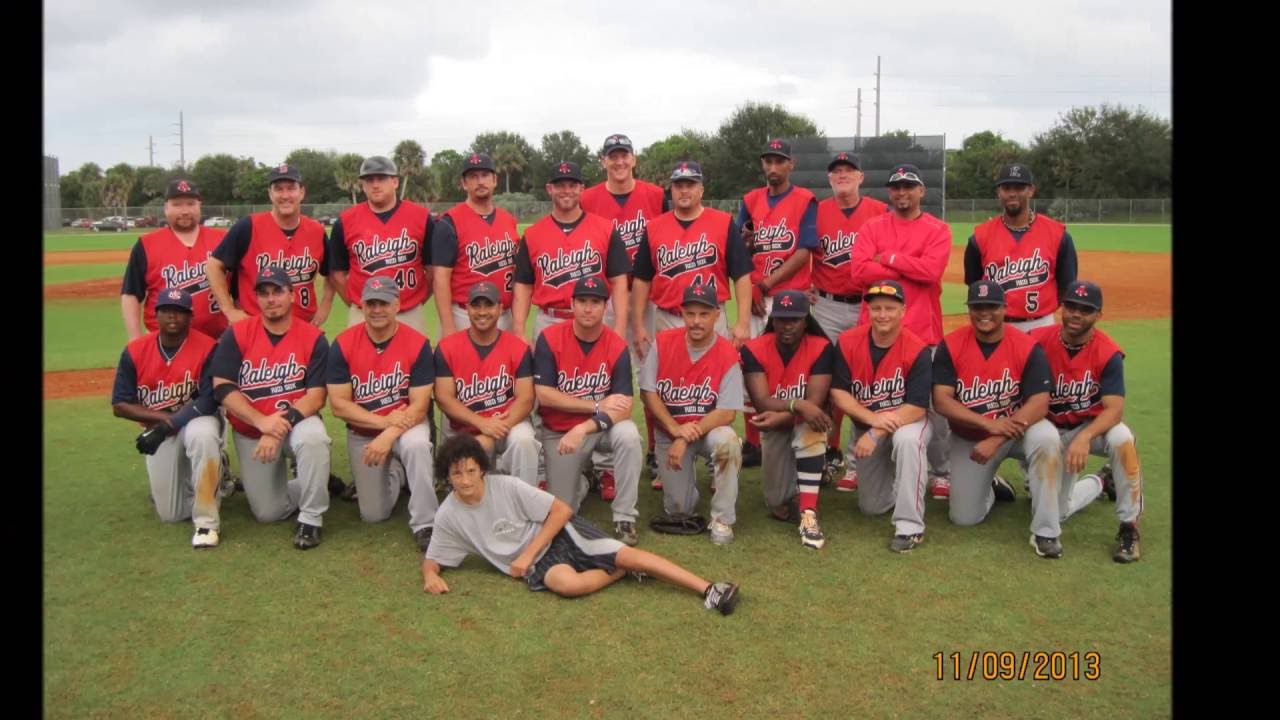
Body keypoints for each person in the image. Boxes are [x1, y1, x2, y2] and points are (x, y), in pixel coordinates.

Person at [420, 433, 742, 616]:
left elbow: (560, 511)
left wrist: (526, 554)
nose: (465, 480)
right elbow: (433, 559)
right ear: (446, 476)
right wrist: (430, 577)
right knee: (567, 586)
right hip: (543, 563)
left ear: (483, 470)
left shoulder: (506, 487)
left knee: (627, 554)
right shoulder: (449, 513)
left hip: (561, 533)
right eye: (456, 473)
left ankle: (710, 588)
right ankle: (619, 572)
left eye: (471, 471)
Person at [932, 280, 1098, 559]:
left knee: (1046, 437)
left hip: (1020, 433)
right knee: (964, 518)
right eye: (977, 307)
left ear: (1005, 309)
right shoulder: (951, 345)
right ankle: (992, 486)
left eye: (992, 307)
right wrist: (987, 424)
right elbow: (942, 400)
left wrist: (997, 436)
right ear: (969, 310)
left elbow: (1039, 402)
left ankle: (1046, 532)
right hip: (972, 439)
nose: (985, 313)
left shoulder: (1026, 346)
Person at [630, 159, 753, 487]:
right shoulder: (655, 226)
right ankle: (662, 457)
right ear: (671, 190)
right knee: (661, 389)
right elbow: (642, 279)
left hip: (712, 317)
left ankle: (717, 462)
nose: (684, 190)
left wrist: (741, 321)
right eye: (678, 185)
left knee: (712, 390)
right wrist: (639, 325)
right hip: (668, 316)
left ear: (701, 189)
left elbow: (741, 274)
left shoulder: (722, 222)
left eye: (690, 184)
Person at [850, 163, 954, 499]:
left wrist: (890, 257)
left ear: (921, 191)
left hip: (922, 334)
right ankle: (858, 460)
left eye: (909, 186)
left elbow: (932, 270)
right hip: (874, 332)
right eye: (896, 187)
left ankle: (941, 470)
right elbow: (859, 272)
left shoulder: (938, 230)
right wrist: (912, 264)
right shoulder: (872, 226)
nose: (902, 193)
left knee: (933, 407)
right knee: (866, 396)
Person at [209, 266, 332, 550]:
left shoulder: (313, 337)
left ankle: (311, 518)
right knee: (268, 513)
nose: (271, 299)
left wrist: (275, 428)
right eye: (263, 293)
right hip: (252, 430)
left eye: (277, 291)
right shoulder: (238, 334)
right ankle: (315, 480)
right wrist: (260, 421)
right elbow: (223, 387)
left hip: (297, 422)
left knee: (313, 438)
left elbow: (315, 397)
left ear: (292, 295)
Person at [580, 134, 671, 489]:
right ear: (603, 161)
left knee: (653, 373)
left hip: (648, 294)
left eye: (624, 155)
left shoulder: (654, 195)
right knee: (600, 377)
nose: (619, 162)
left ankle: (654, 453)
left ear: (634, 159)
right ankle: (601, 460)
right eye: (612, 156)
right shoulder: (588, 198)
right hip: (602, 297)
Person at [1029, 281, 1143, 563]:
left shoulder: (1108, 353)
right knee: (1059, 512)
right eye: (1071, 307)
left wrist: (1084, 437)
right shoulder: (1036, 340)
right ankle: (1101, 482)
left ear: (1098, 315)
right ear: (1062, 307)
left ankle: (1129, 527)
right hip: (1049, 432)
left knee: (1122, 439)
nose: (1076, 314)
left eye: (1085, 310)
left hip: (1088, 429)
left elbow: (1114, 409)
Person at [326, 277, 438, 553]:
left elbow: (420, 405)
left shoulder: (417, 343)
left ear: (397, 305)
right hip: (365, 431)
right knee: (373, 515)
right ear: (362, 305)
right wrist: (383, 422)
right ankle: (397, 473)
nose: (377, 309)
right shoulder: (343, 344)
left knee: (417, 444)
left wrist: (388, 433)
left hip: (406, 425)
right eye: (371, 303)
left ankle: (426, 522)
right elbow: (339, 405)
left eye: (384, 303)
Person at [111, 288, 225, 548]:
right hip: (160, 428)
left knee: (204, 434)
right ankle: (208, 481)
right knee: (171, 514)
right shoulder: (136, 351)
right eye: (166, 311)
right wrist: (163, 421)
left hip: (197, 420)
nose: (173, 317)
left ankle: (206, 523)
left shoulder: (208, 347)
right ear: (155, 314)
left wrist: (170, 424)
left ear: (190, 317)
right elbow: (120, 404)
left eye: (180, 312)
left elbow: (209, 399)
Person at [532, 276, 641, 545]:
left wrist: (585, 425)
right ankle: (583, 482)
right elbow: (544, 395)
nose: (588, 308)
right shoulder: (550, 338)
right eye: (582, 301)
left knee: (628, 435)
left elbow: (624, 407)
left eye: (595, 302)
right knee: (563, 512)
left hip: (599, 428)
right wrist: (594, 405)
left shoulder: (616, 345)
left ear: (606, 307)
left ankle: (624, 516)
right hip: (560, 432)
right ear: (572, 304)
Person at [828, 280, 933, 552]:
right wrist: (872, 421)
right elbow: (839, 393)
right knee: (871, 508)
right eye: (876, 308)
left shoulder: (917, 349)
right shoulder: (849, 342)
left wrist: (877, 430)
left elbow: (917, 407)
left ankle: (910, 526)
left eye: (889, 308)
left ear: (903, 312)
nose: (882, 314)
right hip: (871, 427)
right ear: (868, 311)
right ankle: (910, 485)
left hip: (908, 423)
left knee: (908, 442)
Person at [638, 283, 744, 544]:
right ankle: (687, 486)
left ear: (717, 315)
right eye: (691, 313)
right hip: (670, 431)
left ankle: (722, 519)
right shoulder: (663, 343)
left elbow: (727, 412)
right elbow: (647, 392)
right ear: (682, 313)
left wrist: (684, 437)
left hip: (708, 432)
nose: (696, 321)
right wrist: (675, 430)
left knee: (727, 442)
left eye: (704, 314)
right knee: (679, 510)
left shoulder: (727, 353)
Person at [809, 152, 889, 492]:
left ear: (861, 177)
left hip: (868, 306)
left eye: (849, 170)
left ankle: (861, 459)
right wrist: (805, 286)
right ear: (830, 180)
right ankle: (828, 450)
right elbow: (804, 253)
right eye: (836, 171)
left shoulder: (879, 211)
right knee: (826, 379)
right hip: (827, 304)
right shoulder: (817, 210)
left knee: (865, 380)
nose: (842, 175)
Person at [737, 139, 820, 467]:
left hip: (792, 301)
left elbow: (804, 251)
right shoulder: (750, 200)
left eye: (779, 161)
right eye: (767, 161)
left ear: (790, 164)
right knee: (752, 368)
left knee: (793, 372)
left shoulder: (804, 200)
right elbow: (738, 246)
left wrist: (765, 284)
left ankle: (797, 434)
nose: (772, 167)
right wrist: (750, 287)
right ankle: (754, 441)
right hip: (756, 300)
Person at [739, 290, 835, 549]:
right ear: (773, 320)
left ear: (806, 320)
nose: (788, 325)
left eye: (795, 319)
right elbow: (761, 402)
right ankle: (812, 474)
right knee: (776, 502)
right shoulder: (754, 349)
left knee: (812, 425)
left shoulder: (821, 347)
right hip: (775, 429)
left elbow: (815, 405)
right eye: (782, 319)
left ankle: (808, 514)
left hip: (803, 423)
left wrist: (799, 409)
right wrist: (797, 404)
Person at [512, 160, 633, 342]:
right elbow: (523, 286)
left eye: (572, 185)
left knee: (596, 371)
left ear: (582, 189)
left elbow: (619, 283)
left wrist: (620, 328)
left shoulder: (606, 230)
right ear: (549, 188)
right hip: (549, 320)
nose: (566, 190)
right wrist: (520, 331)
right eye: (560, 185)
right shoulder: (532, 235)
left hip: (596, 320)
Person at [434, 281, 540, 488]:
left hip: (509, 425)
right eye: (476, 305)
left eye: (488, 305)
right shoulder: (448, 347)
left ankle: (525, 501)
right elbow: (444, 398)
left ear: (500, 309)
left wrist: (496, 429)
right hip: (466, 431)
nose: (482, 312)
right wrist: (482, 424)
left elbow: (526, 399)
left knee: (524, 439)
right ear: (467, 308)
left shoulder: (518, 348)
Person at [206, 164, 334, 327]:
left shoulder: (316, 231)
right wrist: (230, 310)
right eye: (279, 189)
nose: (285, 195)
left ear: (302, 192)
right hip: (255, 327)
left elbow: (333, 272)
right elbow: (213, 266)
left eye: (291, 188)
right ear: (270, 194)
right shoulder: (248, 227)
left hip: (303, 328)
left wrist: (326, 304)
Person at [964, 163, 1078, 333]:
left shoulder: (1058, 235)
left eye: (1019, 187)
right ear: (998, 192)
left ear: (1030, 190)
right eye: (1006, 188)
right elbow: (974, 283)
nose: (1012, 193)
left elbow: (1067, 285)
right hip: (997, 326)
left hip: (1041, 324)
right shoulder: (980, 237)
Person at [329, 156, 433, 332]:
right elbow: (338, 274)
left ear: (395, 182)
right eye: (369, 180)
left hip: (409, 311)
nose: (375, 185)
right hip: (364, 313)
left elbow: (432, 271)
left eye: (382, 178)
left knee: (415, 359)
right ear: (363, 185)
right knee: (358, 359)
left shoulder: (421, 217)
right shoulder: (346, 221)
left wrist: (417, 300)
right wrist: (357, 303)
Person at [122, 179, 229, 340]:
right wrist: (135, 340)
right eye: (177, 204)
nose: (185, 210)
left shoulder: (223, 240)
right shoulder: (147, 245)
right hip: (164, 342)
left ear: (200, 205)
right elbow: (131, 294)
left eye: (191, 203)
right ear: (166, 208)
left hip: (216, 340)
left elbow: (241, 288)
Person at [432, 152, 519, 336]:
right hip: (465, 316)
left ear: (495, 180)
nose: (480, 181)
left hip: (504, 314)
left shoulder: (508, 220)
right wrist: (448, 327)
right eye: (473, 176)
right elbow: (440, 279)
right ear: (464, 184)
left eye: (485, 175)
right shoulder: (449, 223)